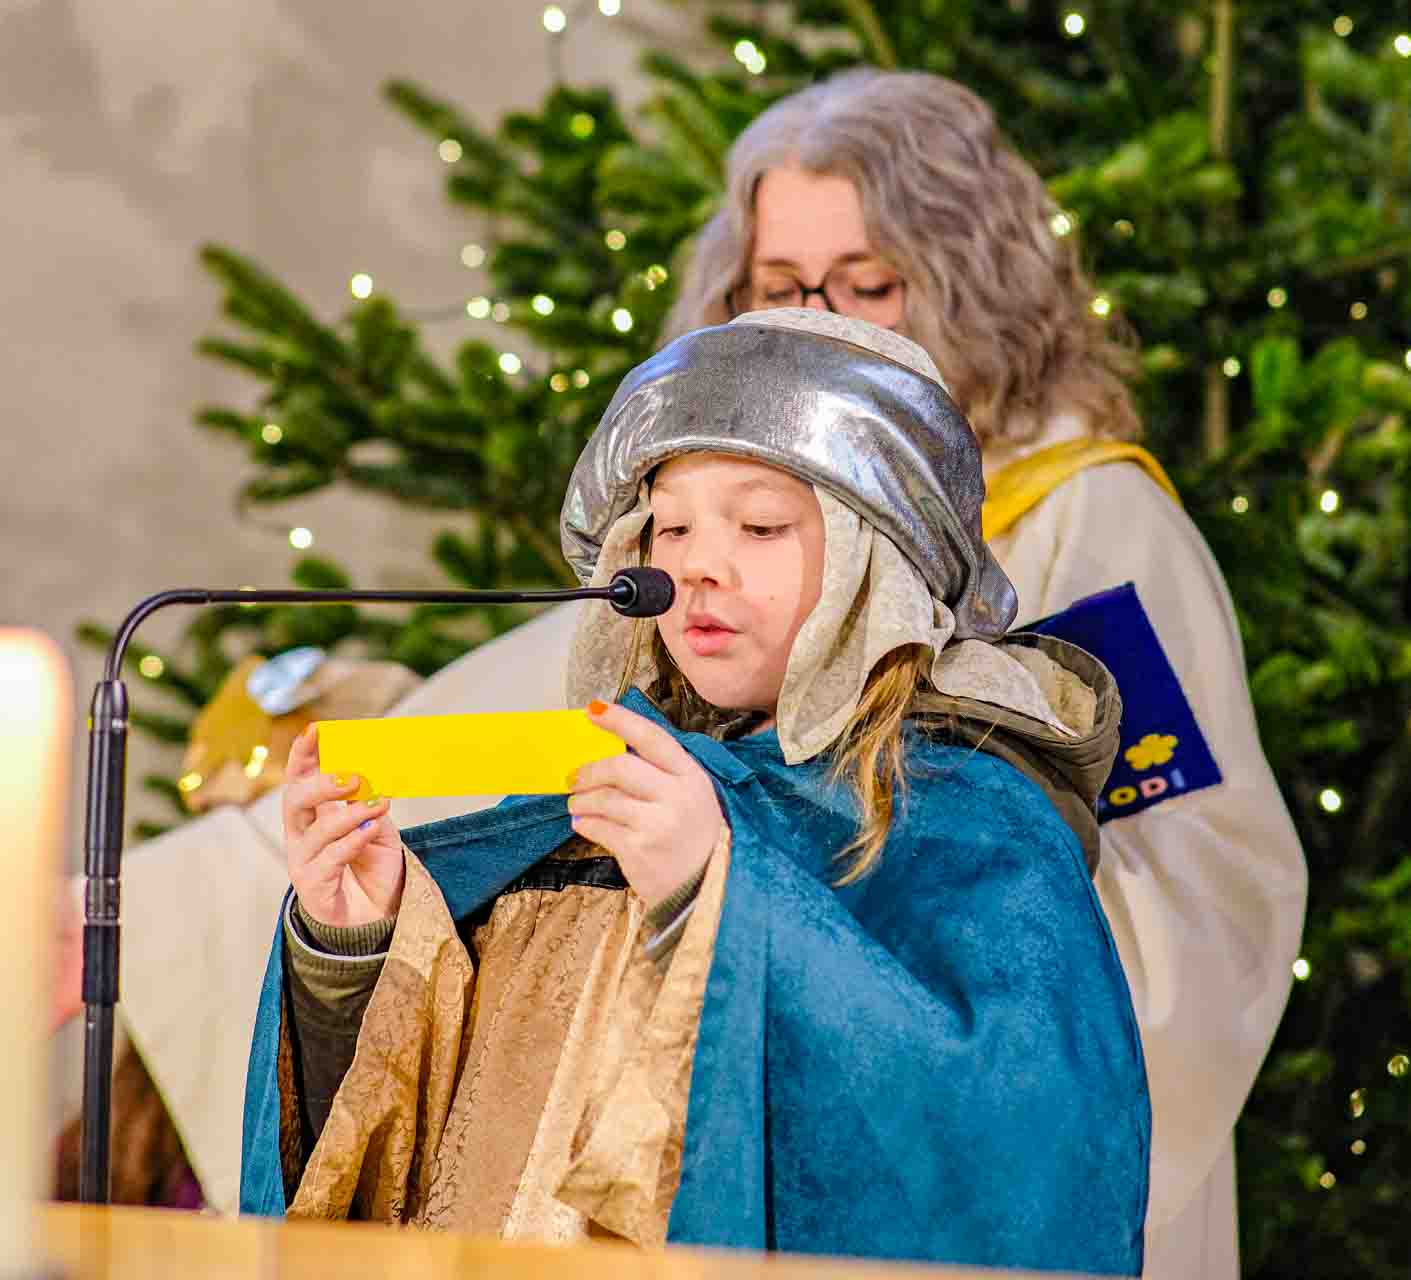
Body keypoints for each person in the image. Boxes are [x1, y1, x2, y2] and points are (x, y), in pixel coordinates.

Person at [65, 67, 1303, 1273]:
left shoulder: (1079, 542)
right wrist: (351, 946)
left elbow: (1065, 1048)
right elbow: (466, 1088)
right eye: (777, 283)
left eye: (866, 283)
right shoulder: (661, 682)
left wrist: (732, 907)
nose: (812, 315)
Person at [241, 309, 1150, 1274]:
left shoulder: (969, 821)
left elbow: (1015, 1151)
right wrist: (359, 945)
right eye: (668, 526)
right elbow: (460, 1149)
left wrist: (715, 899)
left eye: (760, 526)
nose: (694, 566)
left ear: (874, 562)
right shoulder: (593, 803)